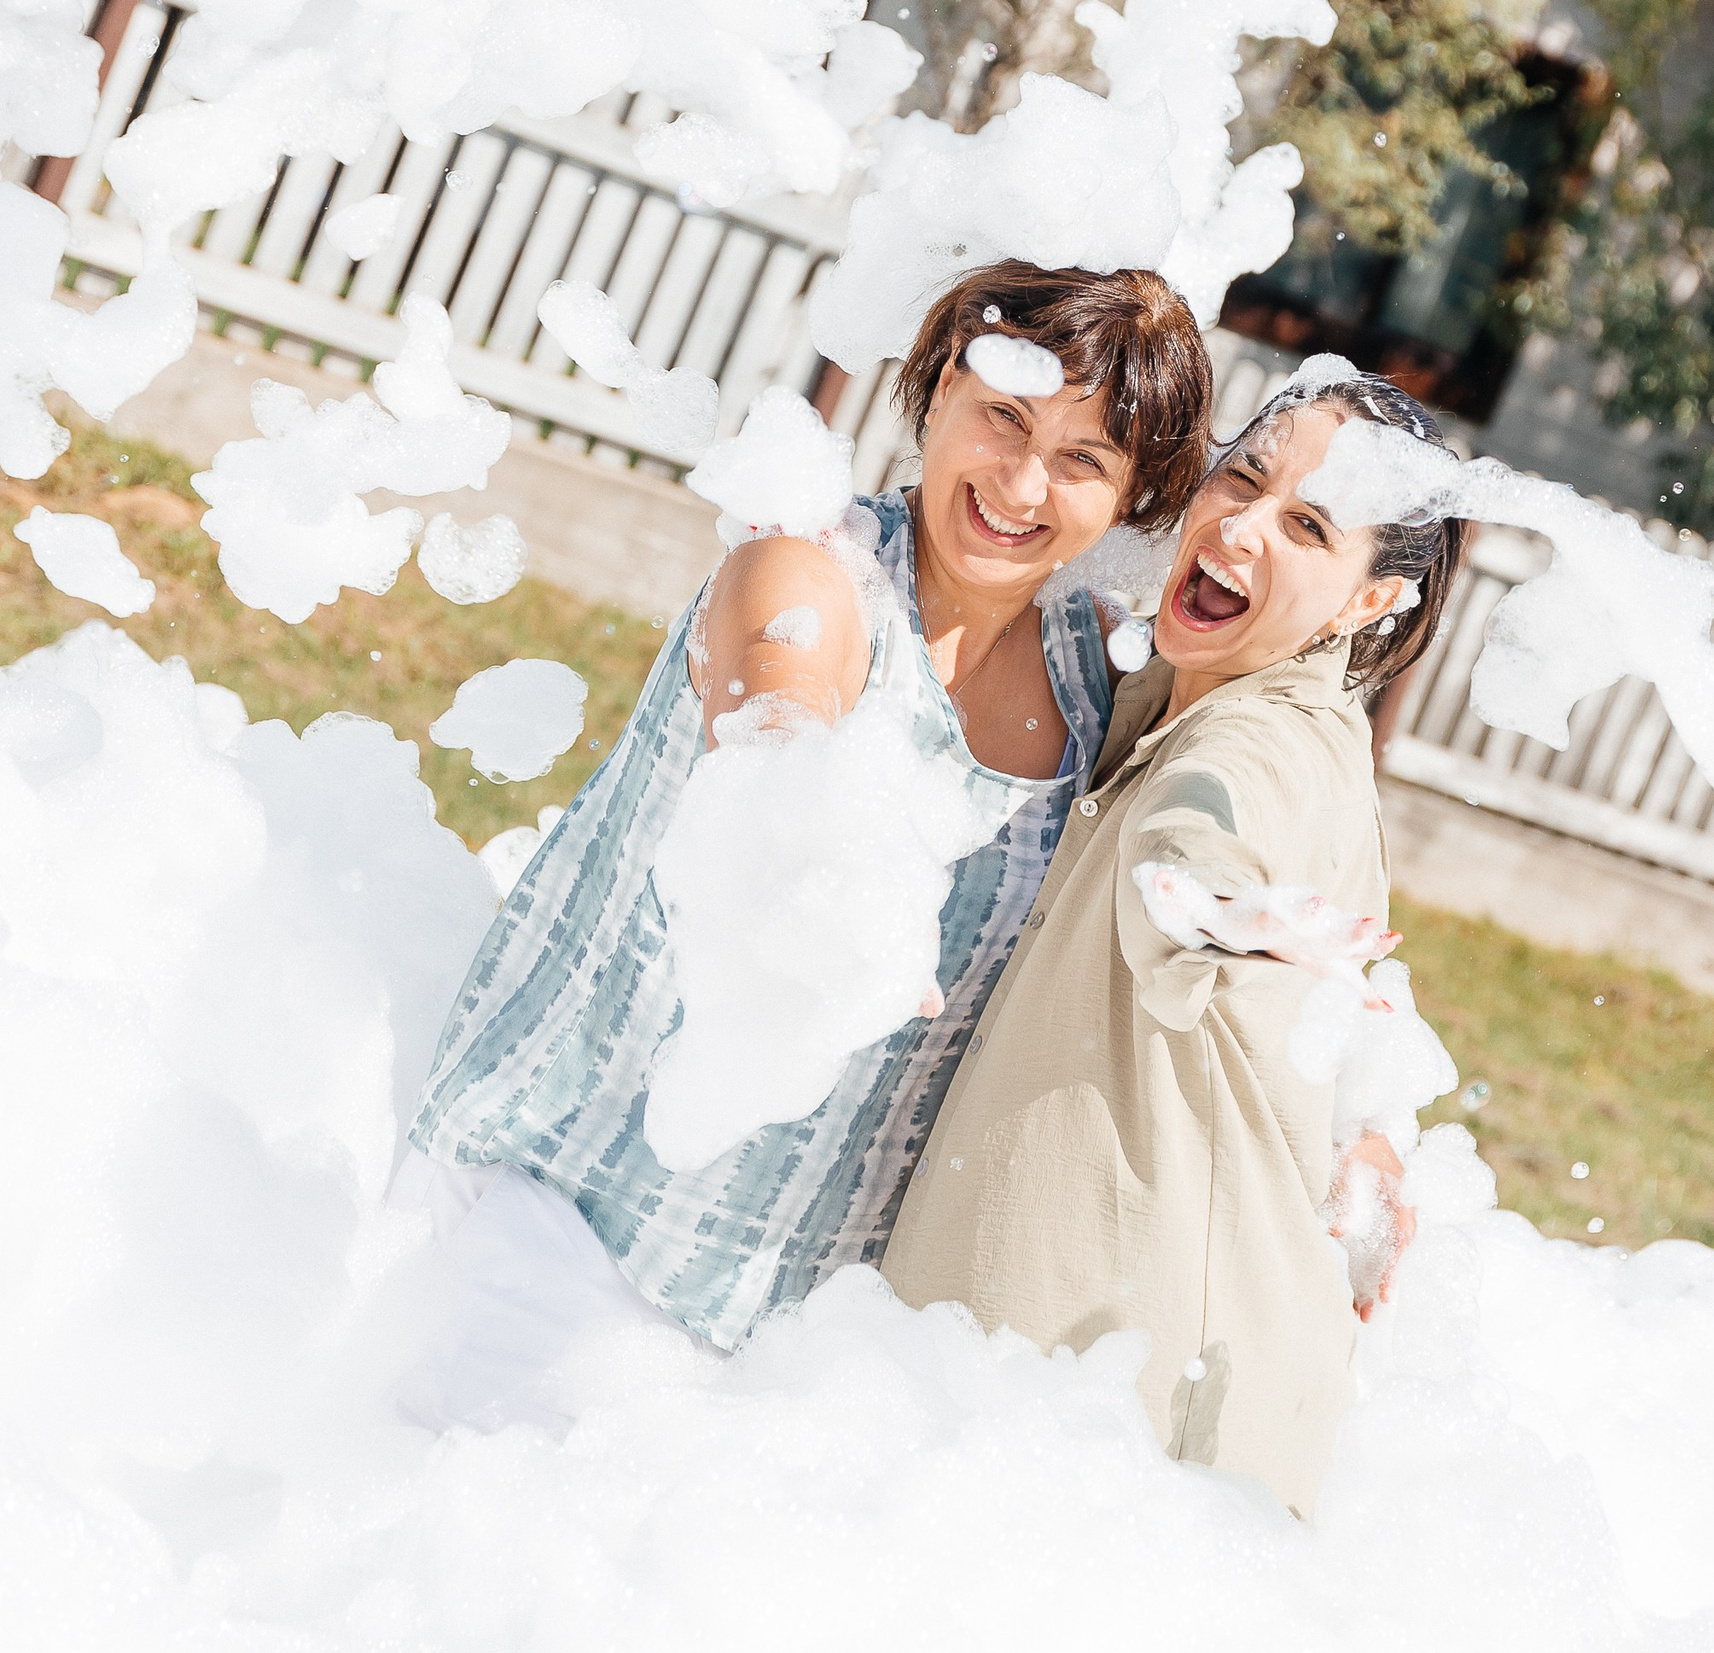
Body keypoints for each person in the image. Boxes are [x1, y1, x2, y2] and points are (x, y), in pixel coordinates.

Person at [395, 262, 1213, 1422]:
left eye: (1083, 460)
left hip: (784, 1321)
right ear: (941, 387)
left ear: (1129, 497)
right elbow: (778, 722)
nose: (1023, 481)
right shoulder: (811, 573)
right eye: (1004, 417)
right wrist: (827, 863)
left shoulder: (1093, 674)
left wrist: (1365, 1116)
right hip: (552, 1234)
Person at [881, 370, 1466, 1516]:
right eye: (1245, 478)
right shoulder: (1169, 683)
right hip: (1081, 1392)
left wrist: (1202, 904)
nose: (1242, 528)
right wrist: (1371, 1122)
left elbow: (1202, 824)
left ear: (1368, 602)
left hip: (1144, 1429)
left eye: (1308, 527)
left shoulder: (1270, 741)